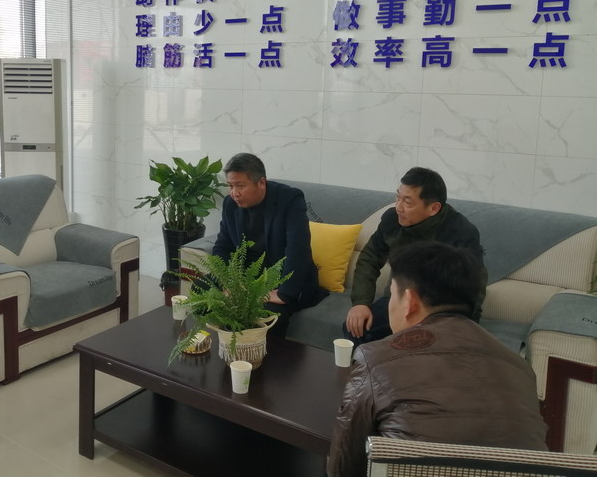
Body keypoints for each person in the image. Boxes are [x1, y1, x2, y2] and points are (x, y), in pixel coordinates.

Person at [328, 241, 547, 477]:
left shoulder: (376, 358)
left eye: (392, 294)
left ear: (409, 302)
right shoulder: (520, 368)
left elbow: (343, 466)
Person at [344, 167, 485, 346]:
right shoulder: (392, 220)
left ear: (433, 208)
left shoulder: (460, 233)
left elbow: (475, 285)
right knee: (356, 330)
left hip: (438, 311)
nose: (398, 207)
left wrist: (464, 329)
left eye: (408, 202)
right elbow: (370, 258)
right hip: (399, 300)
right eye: (398, 197)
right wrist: (360, 303)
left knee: (423, 348)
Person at [212, 153, 325, 337]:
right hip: (244, 280)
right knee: (201, 289)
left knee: (267, 314)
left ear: (261, 183)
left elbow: (298, 248)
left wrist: (283, 293)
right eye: (230, 186)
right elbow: (222, 247)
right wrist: (227, 283)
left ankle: (265, 356)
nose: (234, 193)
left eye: (240, 185)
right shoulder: (230, 204)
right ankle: (214, 349)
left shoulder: (289, 199)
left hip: (280, 281)